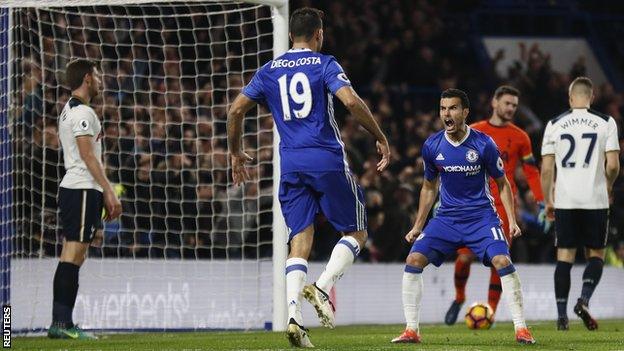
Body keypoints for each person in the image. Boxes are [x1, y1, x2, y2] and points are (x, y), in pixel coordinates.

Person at [226, 7, 390, 348]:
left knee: (299, 238)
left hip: (291, 164)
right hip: (326, 158)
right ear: (319, 34)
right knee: (357, 231)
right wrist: (379, 134)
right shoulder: (325, 63)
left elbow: (236, 110)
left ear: (290, 36)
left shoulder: (269, 69)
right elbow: (351, 102)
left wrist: (235, 151)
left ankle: (293, 319)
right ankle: (323, 286)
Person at [391, 89, 535, 345]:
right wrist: (418, 226)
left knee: (502, 261)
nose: (447, 113)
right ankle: (411, 330)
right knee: (413, 259)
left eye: (453, 108)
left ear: (465, 112)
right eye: (443, 108)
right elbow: (428, 187)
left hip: (481, 218)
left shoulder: (483, 144)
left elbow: (502, 184)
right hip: (446, 219)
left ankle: (521, 329)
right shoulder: (432, 145)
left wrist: (511, 220)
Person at [445, 85, 546, 324]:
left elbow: (531, 172)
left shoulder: (521, 137)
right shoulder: (474, 131)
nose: (511, 108)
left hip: (501, 207)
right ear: (494, 102)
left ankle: (489, 311)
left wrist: (542, 201)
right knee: (464, 258)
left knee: (498, 261)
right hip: (472, 205)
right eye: (507, 103)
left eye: (514, 105)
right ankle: (459, 297)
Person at [48, 59, 122, 339]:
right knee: (74, 253)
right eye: (99, 76)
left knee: (74, 254)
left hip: (79, 188)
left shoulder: (72, 109)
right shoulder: (82, 112)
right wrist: (109, 190)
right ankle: (62, 324)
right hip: (81, 188)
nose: (102, 81)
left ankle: (62, 323)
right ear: (88, 78)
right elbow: (88, 155)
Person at [541, 76, 620, 331]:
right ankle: (583, 300)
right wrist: (608, 184)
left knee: (564, 257)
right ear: (592, 96)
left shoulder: (554, 124)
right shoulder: (606, 122)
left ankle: (562, 316)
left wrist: (548, 200)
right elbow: (614, 165)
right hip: (595, 200)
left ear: (570, 97)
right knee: (595, 255)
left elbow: (546, 170)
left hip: (565, 200)